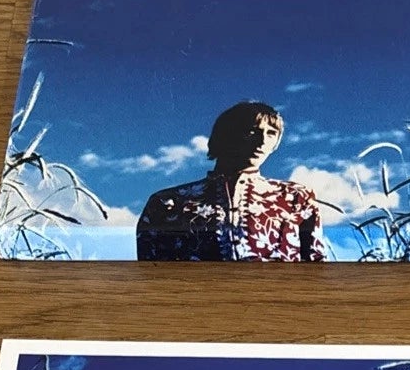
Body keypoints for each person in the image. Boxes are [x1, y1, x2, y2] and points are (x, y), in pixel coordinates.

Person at [136, 101, 329, 261]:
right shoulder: (168, 202)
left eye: (271, 133)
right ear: (226, 135)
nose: (262, 141)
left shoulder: (295, 197)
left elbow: (316, 266)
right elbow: (152, 274)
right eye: (252, 131)